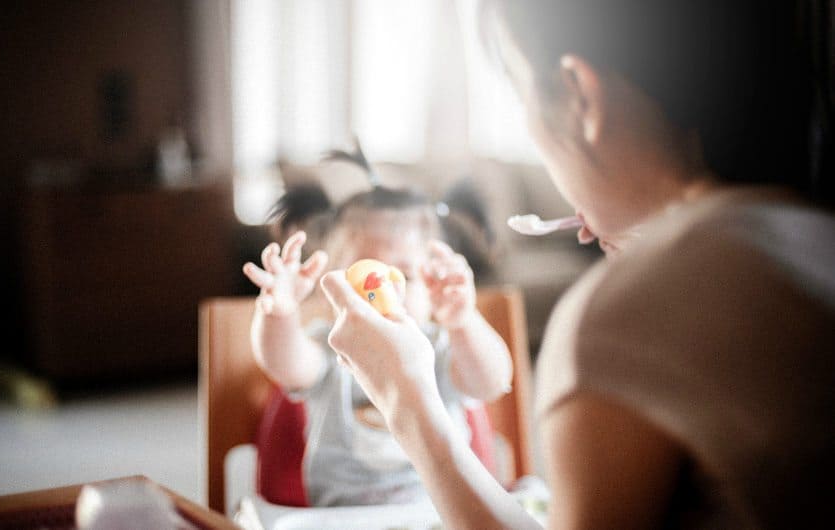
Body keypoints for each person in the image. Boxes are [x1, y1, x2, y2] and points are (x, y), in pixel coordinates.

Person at [317, 0, 835, 528]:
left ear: (580, 94)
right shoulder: (815, 235)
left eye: (519, 91)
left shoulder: (616, 322)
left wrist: (410, 407)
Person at [242, 183, 513, 507]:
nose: (383, 293)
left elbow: (492, 382)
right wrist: (280, 313)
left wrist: (463, 320)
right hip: (342, 518)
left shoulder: (439, 350)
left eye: (405, 276)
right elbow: (282, 363)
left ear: (431, 288)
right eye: (364, 275)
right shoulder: (331, 346)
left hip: (442, 514)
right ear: (330, 284)